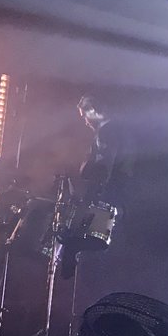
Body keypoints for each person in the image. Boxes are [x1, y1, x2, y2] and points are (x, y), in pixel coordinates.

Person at [58, 93, 134, 279]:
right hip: (112, 192)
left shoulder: (107, 132)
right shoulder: (117, 129)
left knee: (97, 240)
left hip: (105, 194)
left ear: (93, 110)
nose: (85, 122)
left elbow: (104, 165)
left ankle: (71, 251)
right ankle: (71, 254)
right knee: (97, 241)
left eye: (84, 115)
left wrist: (95, 190)